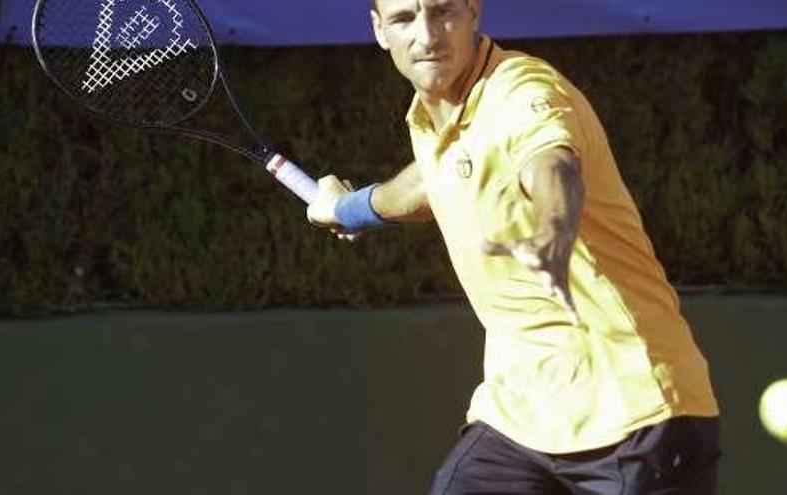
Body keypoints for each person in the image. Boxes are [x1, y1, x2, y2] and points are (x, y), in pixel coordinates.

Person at [307, 0, 721, 493]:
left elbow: (551, 165)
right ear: (379, 30)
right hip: (522, 415)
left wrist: (552, 226)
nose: (427, 35)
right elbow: (434, 180)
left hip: (635, 412)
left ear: (473, 12)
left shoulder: (523, 92)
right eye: (403, 19)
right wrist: (348, 208)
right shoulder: (436, 115)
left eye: (442, 12)